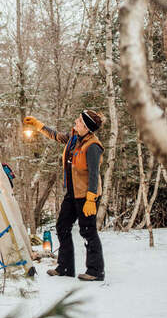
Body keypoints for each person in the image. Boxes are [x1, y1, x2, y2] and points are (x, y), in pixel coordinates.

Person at [23, 110, 106, 281]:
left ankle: (96, 271)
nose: (76, 121)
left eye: (80, 121)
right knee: (62, 226)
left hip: (86, 195)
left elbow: (93, 174)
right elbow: (58, 136)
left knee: (88, 231)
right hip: (72, 193)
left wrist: (91, 199)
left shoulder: (93, 146)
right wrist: (39, 126)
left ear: (86, 127)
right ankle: (65, 267)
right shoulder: (75, 138)